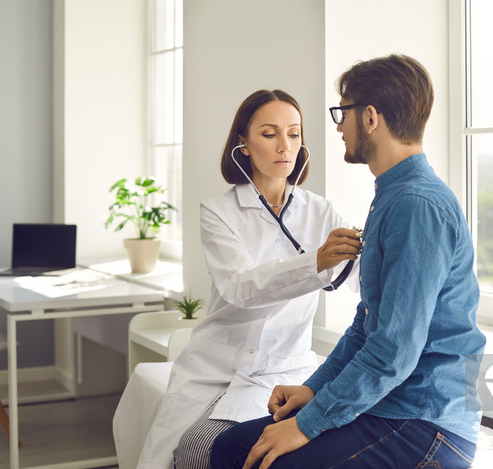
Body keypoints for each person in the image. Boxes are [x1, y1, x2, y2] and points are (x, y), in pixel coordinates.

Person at [210, 55, 486, 469]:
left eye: (343, 113)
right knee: (231, 447)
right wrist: (315, 389)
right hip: (391, 404)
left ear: (370, 117)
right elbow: (367, 323)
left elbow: (394, 351)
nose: (338, 127)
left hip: (426, 422)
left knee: (265, 461)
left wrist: (307, 425)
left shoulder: (415, 205)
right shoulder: (390, 196)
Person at [124, 89, 362, 469]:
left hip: (285, 369)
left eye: (295, 134)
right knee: (169, 456)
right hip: (214, 365)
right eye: (270, 134)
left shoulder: (322, 211)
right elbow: (240, 287)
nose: (286, 146)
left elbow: (362, 280)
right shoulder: (218, 212)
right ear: (244, 144)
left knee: (235, 454)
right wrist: (314, 261)